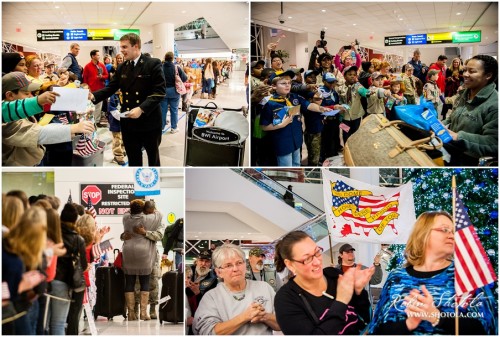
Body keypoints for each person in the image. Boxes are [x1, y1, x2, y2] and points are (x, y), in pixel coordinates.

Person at [368, 211, 496, 334]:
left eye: (453, 231)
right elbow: (378, 330)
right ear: (423, 234)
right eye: (444, 229)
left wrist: (437, 317)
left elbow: (487, 328)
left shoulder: (468, 276)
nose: (452, 235)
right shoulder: (396, 278)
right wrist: (408, 324)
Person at [274, 231, 373, 335]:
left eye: (317, 252)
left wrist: (359, 292)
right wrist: (341, 301)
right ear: (290, 264)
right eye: (307, 259)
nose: (317, 262)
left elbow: (366, 320)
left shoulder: (334, 275)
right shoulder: (286, 299)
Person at [91, 33, 166, 166]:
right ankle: (136, 185)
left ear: (136, 46)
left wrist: (141, 108)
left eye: (125, 47)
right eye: (121, 47)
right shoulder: (122, 67)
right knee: (133, 158)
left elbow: (159, 92)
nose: (122, 50)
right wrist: (93, 96)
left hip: (149, 120)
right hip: (129, 122)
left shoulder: (153, 64)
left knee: (153, 158)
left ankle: (154, 185)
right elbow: (111, 88)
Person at [2, 72, 94, 166]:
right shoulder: (7, 120)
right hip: (18, 169)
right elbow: (37, 133)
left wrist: (80, 98)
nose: (31, 97)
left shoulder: (20, 110)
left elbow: (45, 104)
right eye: (26, 93)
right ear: (10, 95)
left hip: (33, 160)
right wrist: (73, 128)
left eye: (33, 93)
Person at [193, 244, 280, 335]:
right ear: (219, 272)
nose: (235, 269)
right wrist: (244, 317)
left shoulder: (265, 288)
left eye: (239, 263)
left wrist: (265, 316)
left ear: (245, 265)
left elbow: (282, 323)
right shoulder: (211, 297)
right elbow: (208, 333)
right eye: (228, 265)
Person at [443, 55, 498, 166]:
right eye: (465, 70)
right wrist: (441, 125)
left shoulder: (494, 105)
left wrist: (459, 137)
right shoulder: (464, 93)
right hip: (450, 152)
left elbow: (494, 143)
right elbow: (452, 117)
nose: (465, 75)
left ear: (488, 75)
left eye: (472, 71)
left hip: (469, 162)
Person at [121, 199, 162, 321]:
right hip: (145, 255)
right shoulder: (150, 219)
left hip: (131, 254)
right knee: (143, 283)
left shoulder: (126, 218)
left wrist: (145, 232)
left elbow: (159, 235)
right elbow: (158, 214)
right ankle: (142, 313)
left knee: (134, 283)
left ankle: (135, 313)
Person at [50, 203, 87, 335]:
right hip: (67, 282)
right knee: (61, 322)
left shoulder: (52, 235)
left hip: (49, 280)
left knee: (48, 322)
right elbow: (84, 264)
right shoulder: (78, 239)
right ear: (75, 220)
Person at [185, 250, 218, 330]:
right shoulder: (187, 272)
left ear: (211, 264)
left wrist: (198, 293)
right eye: (201, 260)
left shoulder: (213, 280)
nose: (203, 264)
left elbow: (209, 304)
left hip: (198, 316)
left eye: (207, 261)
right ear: (197, 261)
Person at [160, 51, 187, 134]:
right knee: (174, 110)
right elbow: (185, 78)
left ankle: (162, 127)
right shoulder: (176, 67)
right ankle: (174, 128)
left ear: (165, 58)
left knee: (163, 110)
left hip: (163, 91)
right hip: (174, 91)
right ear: (172, 58)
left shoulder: (160, 67)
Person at [83, 50, 109, 127]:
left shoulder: (102, 65)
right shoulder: (87, 66)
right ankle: (90, 123)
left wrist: (102, 77)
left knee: (99, 107)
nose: (99, 56)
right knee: (90, 107)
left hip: (100, 89)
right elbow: (85, 78)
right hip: (91, 90)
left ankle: (96, 122)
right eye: (97, 55)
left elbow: (106, 75)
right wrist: (87, 89)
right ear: (93, 56)